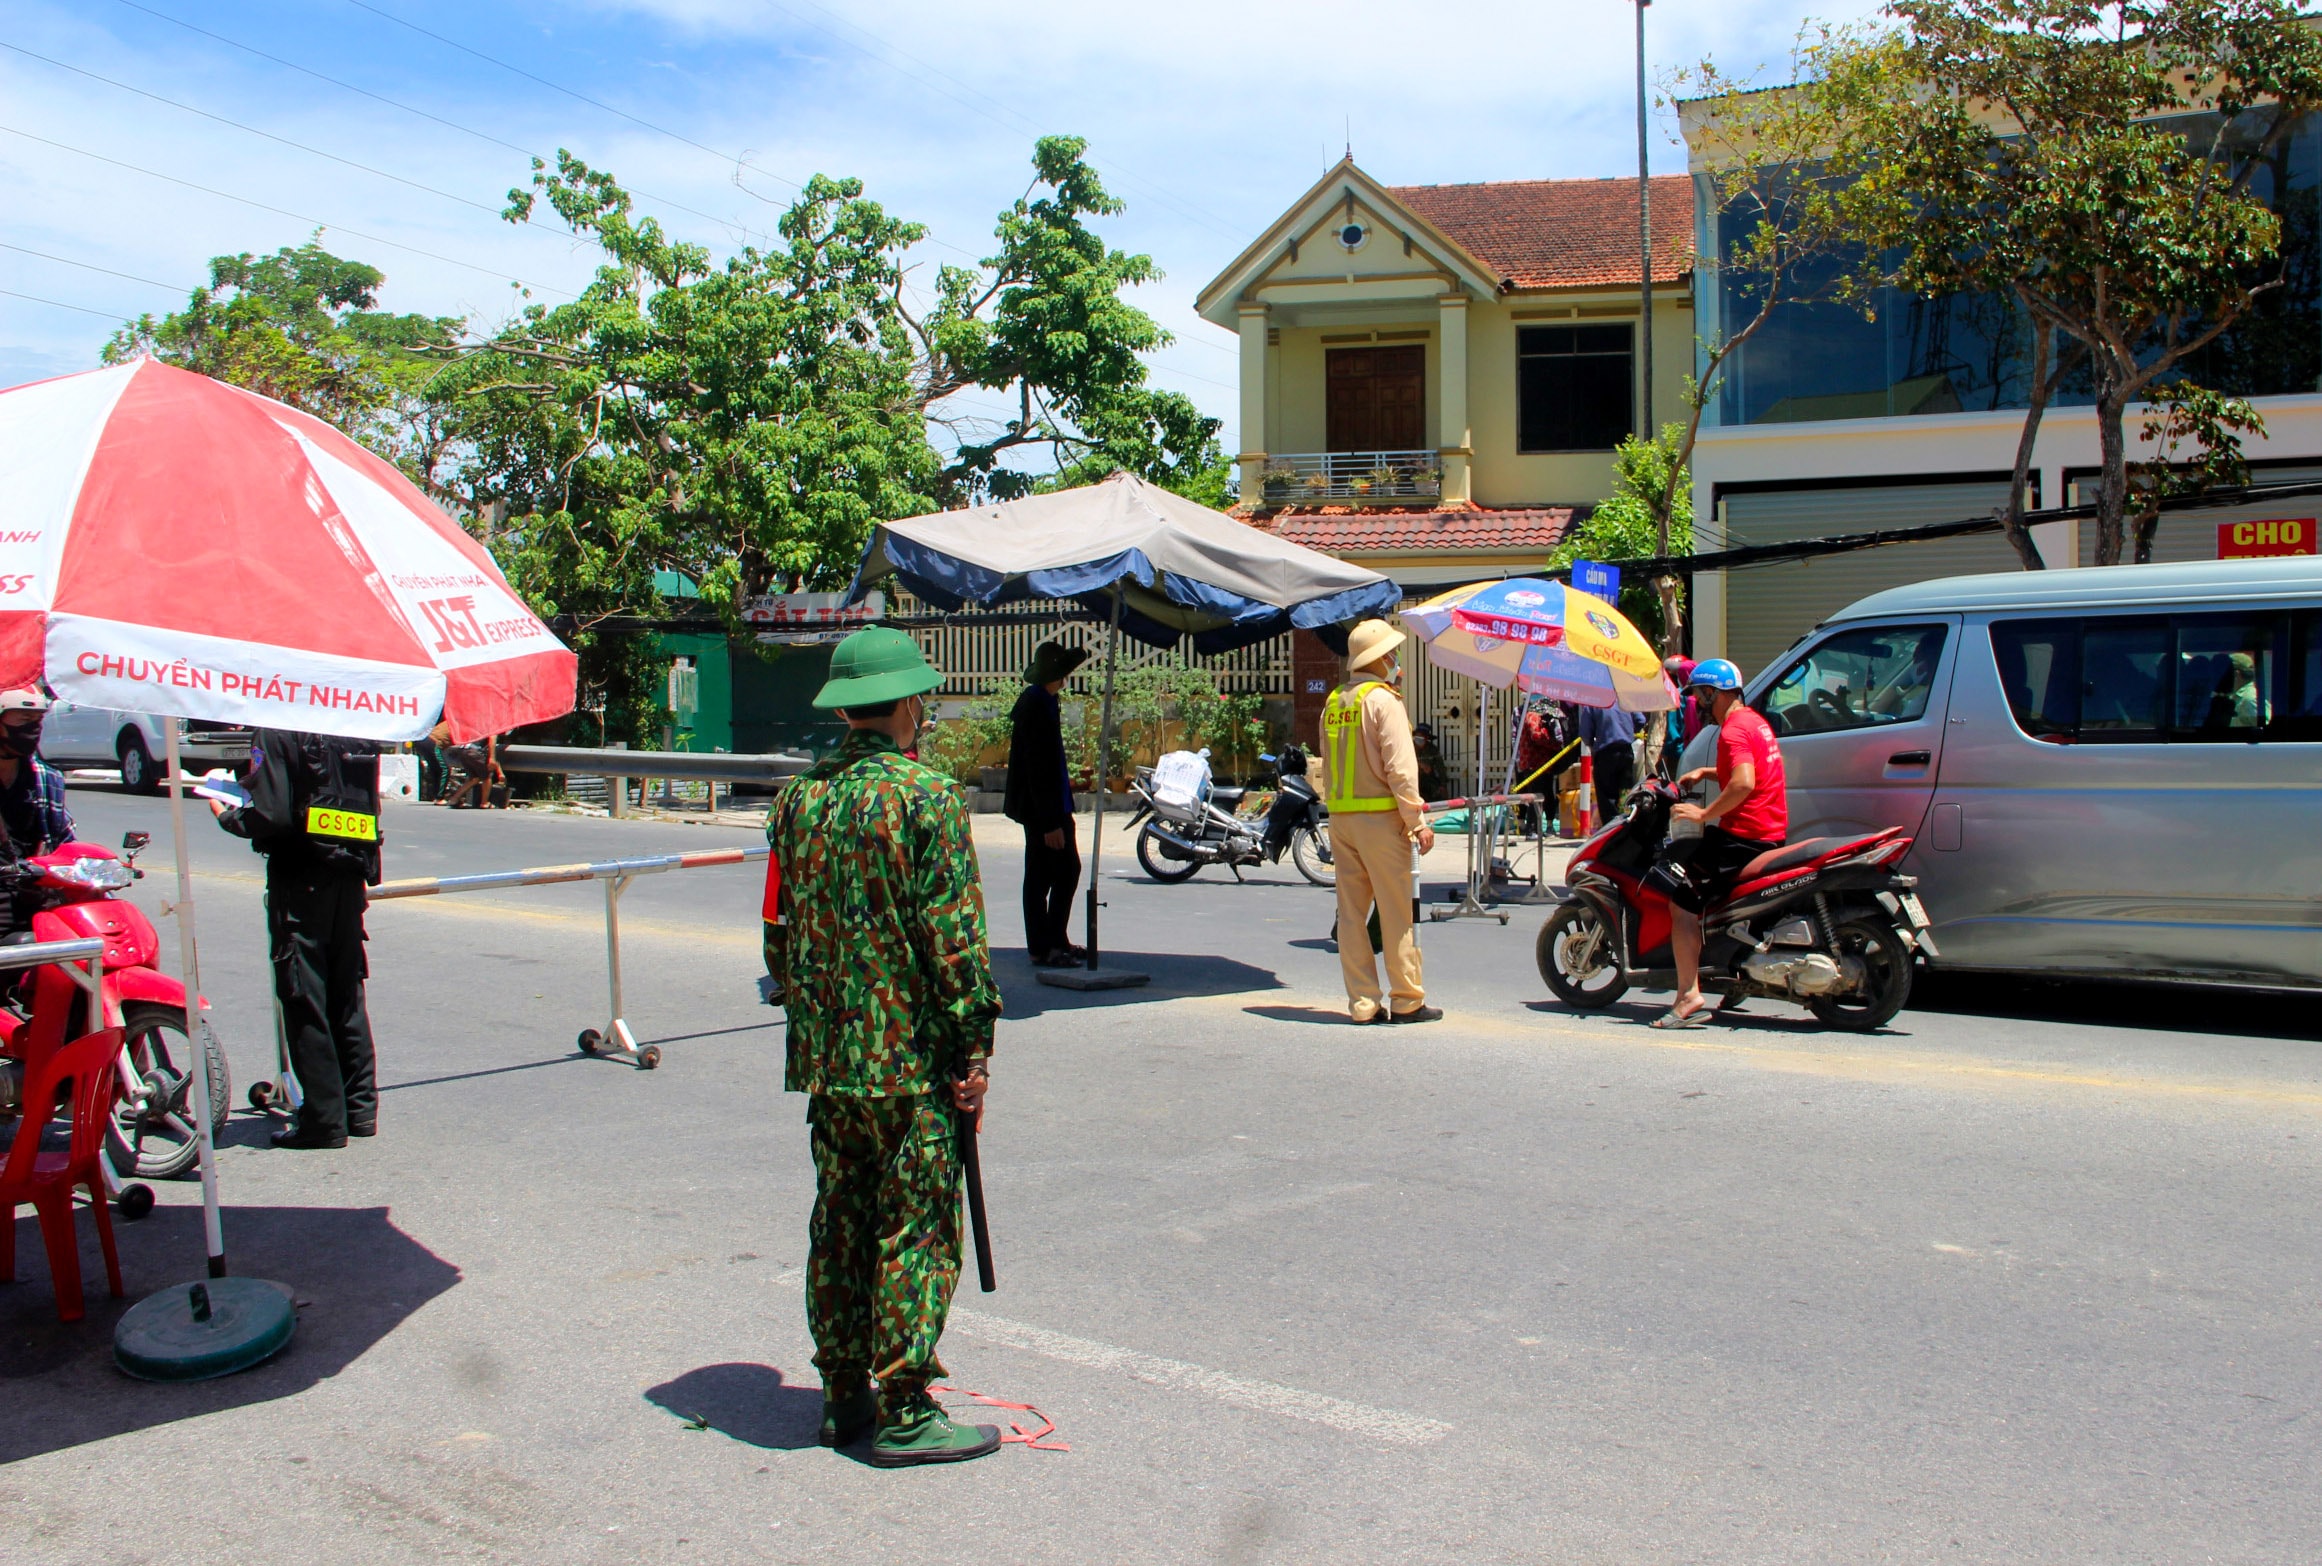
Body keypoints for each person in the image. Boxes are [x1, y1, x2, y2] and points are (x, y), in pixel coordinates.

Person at [766, 626, 1005, 1467]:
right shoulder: (926, 797)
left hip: (829, 1059)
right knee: (914, 1227)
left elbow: (778, 934)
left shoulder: (797, 802)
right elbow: (954, 941)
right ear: (905, 704)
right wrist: (973, 1047)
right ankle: (904, 1406)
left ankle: (842, 1394)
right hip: (908, 1060)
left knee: (840, 1219)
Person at [212, 729, 382, 1149]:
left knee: (304, 995)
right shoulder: (353, 727)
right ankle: (359, 1110)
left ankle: (322, 1119)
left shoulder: (276, 729)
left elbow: (270, 814)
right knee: (346, 992)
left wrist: (225, 813)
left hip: (302, 879)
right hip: (349, 874)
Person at [1644, 659, 1785, 1029]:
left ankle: (1688, 994)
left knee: (1681, 898)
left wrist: (1703, 816)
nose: (1697, 706)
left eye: (1700, 697)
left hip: (1744, 838)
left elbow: (1743, 783)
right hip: (1769, 832)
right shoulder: (1754, 722)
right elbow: (1750, 771)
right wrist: (1707, 773)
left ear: (1712, 693)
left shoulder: (1732, 731)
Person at [1320, 619, 1440, 1025]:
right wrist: (1417, 821)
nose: (1397, 660)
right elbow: (1402, 771)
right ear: (1381, 657)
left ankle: (1363, 1004)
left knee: (1351, 915)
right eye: (1393, 653)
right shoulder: (1384, 702)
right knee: (1396, 912)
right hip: (1380, 821)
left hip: (1342, 821)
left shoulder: (1335, 702)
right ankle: (1407, 1000)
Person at [1005, 640, 1089, 968]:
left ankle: (1051, 942)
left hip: (1049, 805)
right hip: (1044, 810)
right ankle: (1048, 944)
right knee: (1062, 871)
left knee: (1046, 874)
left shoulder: (1042, 700)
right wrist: (1050, 822)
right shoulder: (1036, 704)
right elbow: (1037, 767)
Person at [0, 690, 73, 856]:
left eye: (38, 720)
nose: (33, 728)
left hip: (30, 877)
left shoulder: (47, 778)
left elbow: (64, 838)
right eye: (25, 719)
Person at [1577, 700, 1639, 815]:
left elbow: (1585, 733)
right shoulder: (1624, 698)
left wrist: (1591, 745)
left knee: (1607, 796)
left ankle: (1613, 826)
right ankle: (1626, 821)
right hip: (1626, 752)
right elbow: (1641, 720)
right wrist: (1627, 730)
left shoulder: (1593, 702)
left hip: (1605, 754)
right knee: (1625, 791)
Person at [1410, 723, 1451, 804]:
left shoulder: (1432, 750)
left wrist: (1443, 785)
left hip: (1428, 780)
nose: (1419, 739)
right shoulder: (1408, 747)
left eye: (1422, 737)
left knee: (1436, 791)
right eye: (1418, 736)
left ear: (1427, 738)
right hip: (1411, 778)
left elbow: (1440, 768)